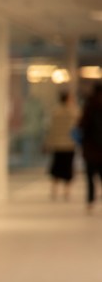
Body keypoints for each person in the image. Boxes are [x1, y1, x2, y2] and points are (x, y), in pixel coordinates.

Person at [43, 90, 78, 201]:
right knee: (67, 168)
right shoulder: (73, 113)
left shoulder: (55, 113)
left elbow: (51, 130)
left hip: (58, 144)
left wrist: (49, 142)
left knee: (57, 168)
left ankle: (54, 190)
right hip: (69, 144)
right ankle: (66, 191)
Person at [79, 82, 102, 213]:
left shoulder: (89, 106)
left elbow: (82, 126)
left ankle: (90, 203)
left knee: (90, 178)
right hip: (98, 150)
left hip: (90, 150)